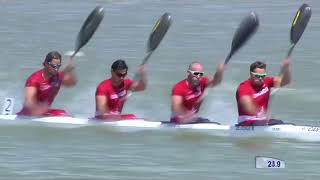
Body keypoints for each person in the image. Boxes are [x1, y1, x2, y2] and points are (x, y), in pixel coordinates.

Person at [17, 51, 77, 116]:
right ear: (46, 64)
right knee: (62, 114)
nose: (56, 69)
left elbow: (71, 83)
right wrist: (38, 110)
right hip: (29, 113)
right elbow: (28, 102)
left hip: (44, 112)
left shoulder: (57, 77)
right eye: (53, 66)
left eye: (58, 66)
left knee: (64, 113)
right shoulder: (34, 79)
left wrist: (70, 70)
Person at [236, 59, 291, 126]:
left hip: (262, 120)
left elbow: (286, 81)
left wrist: (286, 69)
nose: (260, 78)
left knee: (280, 122)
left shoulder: (267, 81)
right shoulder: (244, 87)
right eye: (257, 76)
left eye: (262, 76)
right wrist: (262, 114)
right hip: (247, 121)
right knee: (274, 123)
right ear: (251, 74)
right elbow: (248, 106)